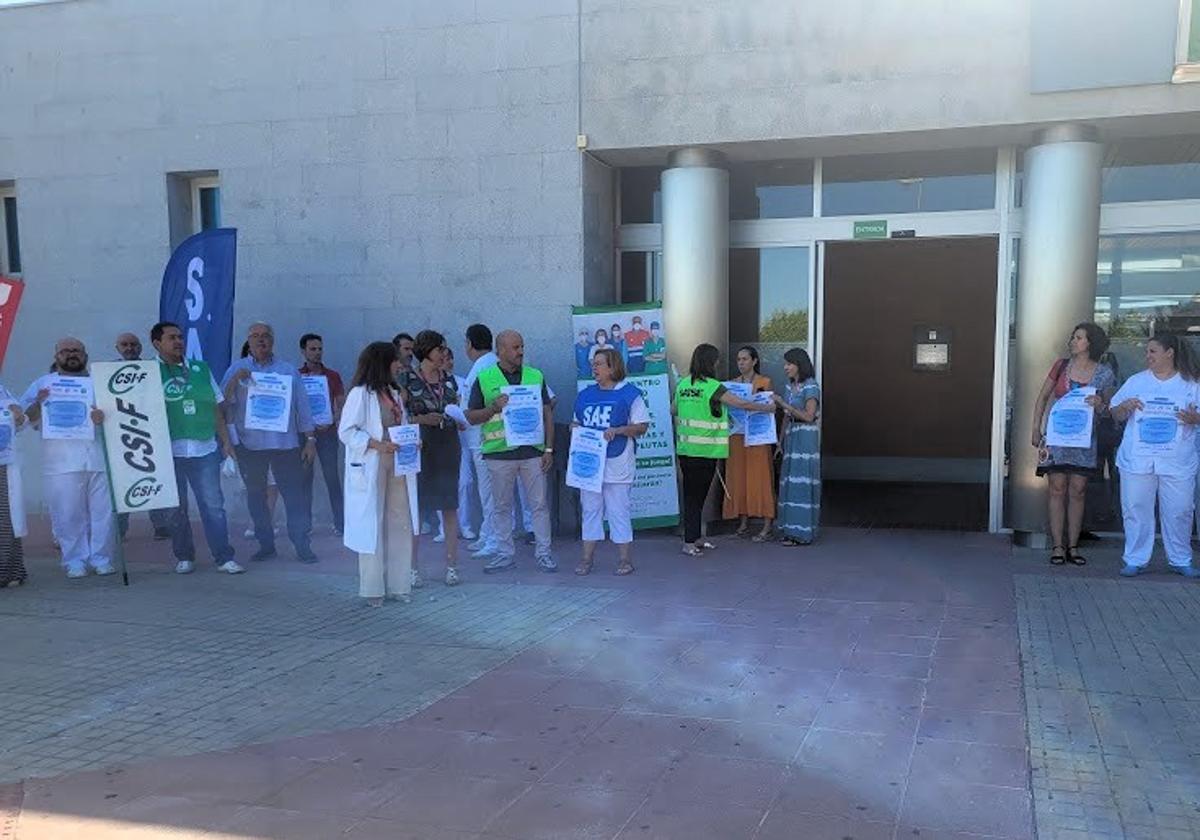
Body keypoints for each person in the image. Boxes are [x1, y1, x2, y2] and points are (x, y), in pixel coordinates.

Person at [221, 323, 318, 564]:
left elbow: (302, 407)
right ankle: (266, 544)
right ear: (249, 341)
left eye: (266, 336)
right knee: (256, 498)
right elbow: (223, 405)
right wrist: (234, 381)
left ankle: (302, 545)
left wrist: (310, 440)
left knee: (294, 497)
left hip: (285, 444)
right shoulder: (237, 368)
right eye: (256, 336)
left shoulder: (287, 371)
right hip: (250, 446)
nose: (261, 340)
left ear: (272, 341)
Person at [151, 321, 243, 575]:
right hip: (168, 451)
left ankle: (224, 557)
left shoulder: (200, 369)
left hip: (204, 449)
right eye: (172, 338)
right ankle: (184, 556)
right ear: (157, 343)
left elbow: (216, 408)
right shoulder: (147, 373)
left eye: (180, 337)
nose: (179, 341)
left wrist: (226, 442)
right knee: (175, 508)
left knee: (213, 505)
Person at [22, 337, 115, 578]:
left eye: (76, 350)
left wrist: (103, 419)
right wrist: (38, 403)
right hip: (61, 463)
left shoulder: (100, 383)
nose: (71, 354)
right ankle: (74, 560)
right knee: (68, 514)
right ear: (56, 356)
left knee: (102, 514)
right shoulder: (43, 384)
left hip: (99, 459)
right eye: (65, 351)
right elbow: (23, 421)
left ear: (85, 355)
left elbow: (119, 418)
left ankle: (101, 559)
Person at [1109, 335, 1200, 577]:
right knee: (1136, 508)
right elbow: (1115, 413)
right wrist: (1125, 407)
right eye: (1147, 352)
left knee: (1180, 510)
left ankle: (1180, 559)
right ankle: (1135, 558)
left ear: (1169, 353)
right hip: (1138, 459)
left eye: (1152, 351)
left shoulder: (1191, 384)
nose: (1147, 356)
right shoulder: (1136, 382)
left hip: (1177, 460)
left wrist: (1194, 419)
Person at [466, 329, 556, 573]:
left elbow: (548, 411)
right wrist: (493, 407)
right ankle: (505, 554)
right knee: (502, 507)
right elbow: (471, 417)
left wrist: (549, 448)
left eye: (522, 346)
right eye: (515, 348)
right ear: (501, 350)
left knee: (539, 506)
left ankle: (544, 554)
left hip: (533, 452)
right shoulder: (484, 378)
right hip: (499, 454)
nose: (521, 352)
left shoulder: (535, 375)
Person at [673, 343, 773, 557]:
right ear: (710, 362)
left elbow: (674, 409)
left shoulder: (683, 384)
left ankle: (697, 537)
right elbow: (741, 404)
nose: (718, 363)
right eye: (716, 360)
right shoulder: (712, 386)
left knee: (694, 496)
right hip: (705, 451)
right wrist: (767, 407)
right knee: (695, 497)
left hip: (685, 450)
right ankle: (689, 542)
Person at [1029, 323, 1116, 566]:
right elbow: (1042, 397)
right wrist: (1036, 428)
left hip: (1084, 440)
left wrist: (1099, 403)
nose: (1073, 341)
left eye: (1079, 338)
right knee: (1056, 489)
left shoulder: (1105, 373)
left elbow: (1110, 411)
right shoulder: (1061, 366)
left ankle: (1073, 546)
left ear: (1091, 343)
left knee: (1078, 491)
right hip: (1057, 437)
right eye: (1073, 337)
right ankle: (1057, 546)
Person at [339, 342, 416, 607]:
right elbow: (346, 431)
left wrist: (411, 439)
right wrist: (376, 444)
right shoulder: (361, 394)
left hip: (398, 462)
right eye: (395, 360)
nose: (399, 364)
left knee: (399, 520)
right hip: (372, 462)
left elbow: (401, 424)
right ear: (383, 363)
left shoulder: (394, 392)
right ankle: (373, 589)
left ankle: (399, 584)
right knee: (372, 523)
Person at [572, 348, 649, 576]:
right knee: (590, 510)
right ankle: (586, 559)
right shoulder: (585, 395)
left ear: (613, 367)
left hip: (618, 461)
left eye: (599, 364)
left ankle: (625, 559)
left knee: (618, 511)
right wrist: (575, 429)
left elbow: (642, 426)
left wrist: (618, 430)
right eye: (593, 364)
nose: (594, 368)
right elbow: (576, 423)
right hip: (590, 464)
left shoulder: (630, 394)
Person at [399, 329, 463, 587]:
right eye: (440, 349)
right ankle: (412, 567)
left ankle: (451, 565)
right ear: (426, 351)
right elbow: (399, 415)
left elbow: (457, 407)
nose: (444, 354)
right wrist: (420, 419)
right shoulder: (405, 378)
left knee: (449, 505)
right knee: (417, 506)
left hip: (447, 443)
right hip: (419, 444)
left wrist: (460, 419)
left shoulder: (449, 380)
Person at [114, 331, 173, 542]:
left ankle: (161, 525)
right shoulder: (108, 372)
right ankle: (119, 529)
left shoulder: (152, 370)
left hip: (150, 433)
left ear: (140, 347)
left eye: (133, 344)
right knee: (123, 483)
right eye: (124, 344)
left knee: (152, 478)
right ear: (117, 348)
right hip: (120, 435)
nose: (129, 348)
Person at [724, 346, 776, 541]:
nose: (741, 363)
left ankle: (767, 523)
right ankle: (743, 521)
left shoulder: (764, 382)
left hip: (758, 436)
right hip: (737, 435)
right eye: (738, 359)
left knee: (760, 476)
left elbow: (769, 406)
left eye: (745, 359)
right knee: (739, 478)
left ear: (754, 361)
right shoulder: (731, 385)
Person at [298, 332, 345, 536]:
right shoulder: (296, 375)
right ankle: (304, 525)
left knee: (332, 478)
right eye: (312, 349)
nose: (317, 353)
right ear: (303, 351)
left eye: (319, 349)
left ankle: (341, 524)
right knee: (304, 479)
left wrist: (332, 419)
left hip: (328, 434)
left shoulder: (332, 376)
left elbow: (341, 404)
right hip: (305, 435)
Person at [774, 347, 821, 546]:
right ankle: (789, 530)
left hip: (805, 436)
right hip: (792, 436)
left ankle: (801, 533)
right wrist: (779, 440)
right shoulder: (788, 387)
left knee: (801, 483)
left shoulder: (811, 386)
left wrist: (785, 405)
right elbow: (786, 417)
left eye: (789, 364)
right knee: (790, 482)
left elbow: (809, 416)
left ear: (799, 365)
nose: (785, 368)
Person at [462, 324, 500, 560]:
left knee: (490, 493)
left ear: (469, 343)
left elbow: (472, 407)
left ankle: (494, 539)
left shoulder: (483, 367)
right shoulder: (486, 364)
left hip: (485, 439)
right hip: (481, 439)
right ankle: (487, 533)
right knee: (487, 491)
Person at [436, 347, 477, 544]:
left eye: (450, 358)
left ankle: (466, 525)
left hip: (461, 440)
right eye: (443, 358)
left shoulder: (463, 383)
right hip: (438, 440)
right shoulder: (430, 385)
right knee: (440, 483)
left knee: (465, 482)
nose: (448, 362)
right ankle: (443, 528)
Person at [0, 386, 28, 587]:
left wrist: (19, 416)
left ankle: (10, 571)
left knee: (6, 518)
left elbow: (21, 421)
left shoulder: (3, 392)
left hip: (3, 464)